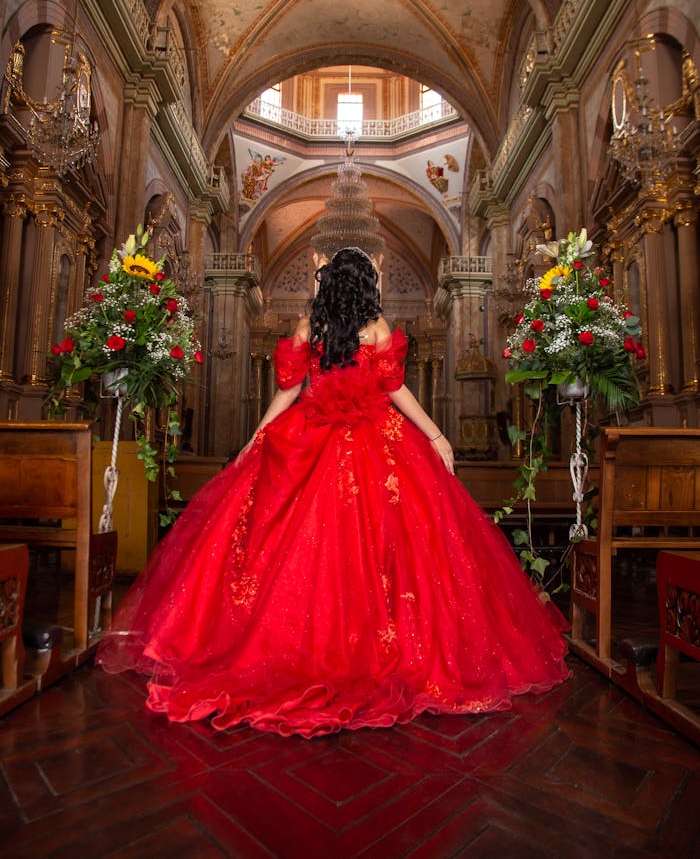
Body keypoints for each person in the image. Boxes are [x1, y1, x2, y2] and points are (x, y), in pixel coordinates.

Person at [97, 247, 569, 737]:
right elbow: (394, 389)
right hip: (376, 440)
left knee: (295, 543)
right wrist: (434, 434)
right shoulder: (378, 328)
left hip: (311, 437)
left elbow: (289, 389)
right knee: (393, 544)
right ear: (367, 285)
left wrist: (258, 436)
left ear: (327, 283)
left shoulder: (309, 327)